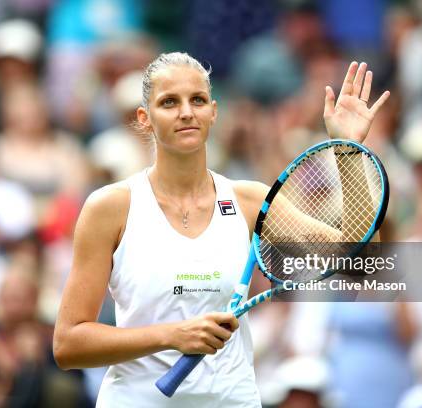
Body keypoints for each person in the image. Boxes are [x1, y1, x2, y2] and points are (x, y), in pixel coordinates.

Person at [53, 52, 389, 407]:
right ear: (144, 118)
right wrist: (173, 335)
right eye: (169, 102)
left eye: (197, 100)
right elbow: (68, 344)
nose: (186, 112)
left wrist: (350, 150)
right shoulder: (110, 207)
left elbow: (361, 262)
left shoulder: (250, 202)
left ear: (213, 112)